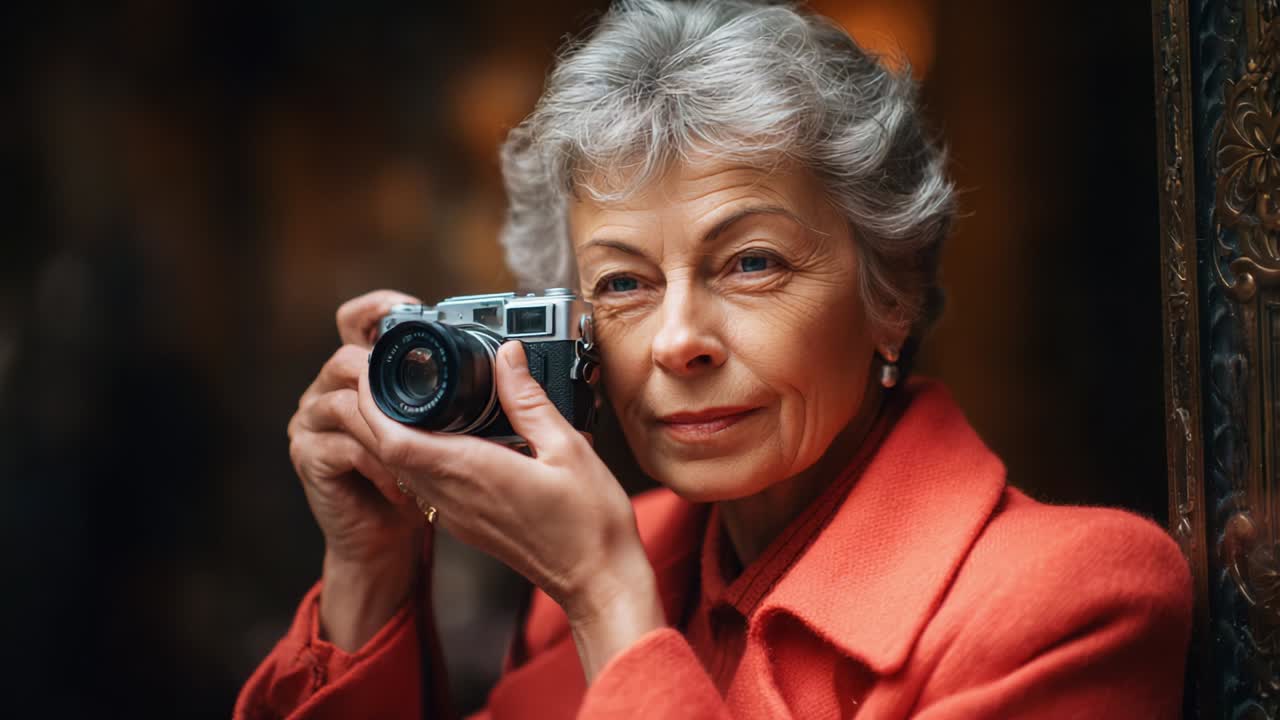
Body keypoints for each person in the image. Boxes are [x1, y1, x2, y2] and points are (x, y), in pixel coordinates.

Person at [235, 1, 1192, 718]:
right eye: (621, 284)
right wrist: (373, 565)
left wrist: (611, 606)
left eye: (752, 263)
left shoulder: (1073, 597)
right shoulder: (615, 560)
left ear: (889, 297)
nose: (676, 340)